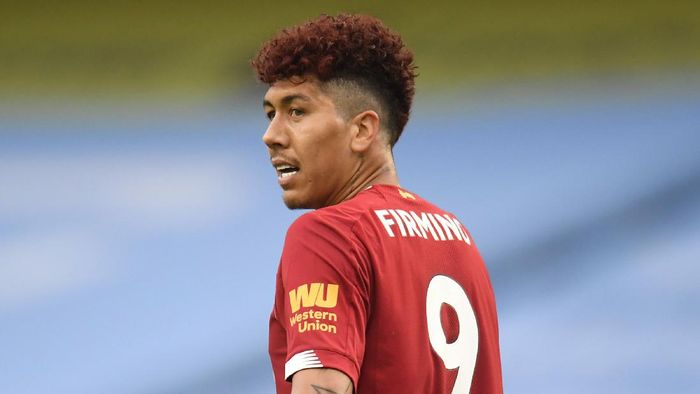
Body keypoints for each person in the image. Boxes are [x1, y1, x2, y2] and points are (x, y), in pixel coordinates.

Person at [252, 14, 502, 394]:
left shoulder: (329, 234)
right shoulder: (457, 238)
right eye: (271, 114)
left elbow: (324, 388)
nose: (271, 135)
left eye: (297, 111)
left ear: (362, 130)